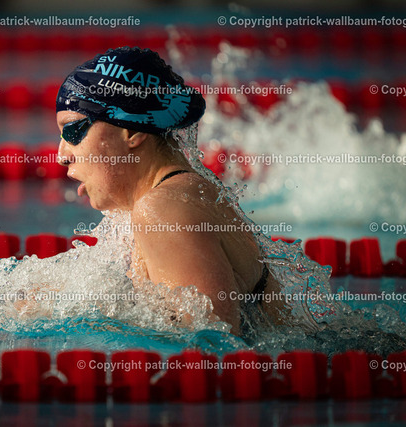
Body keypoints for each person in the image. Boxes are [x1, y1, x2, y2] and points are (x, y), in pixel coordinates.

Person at [55, 47, 285, 335]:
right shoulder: (178, 196)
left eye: (72, 130)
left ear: (132, 129)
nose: (61, 155)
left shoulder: (163, 210)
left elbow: (216, 346)